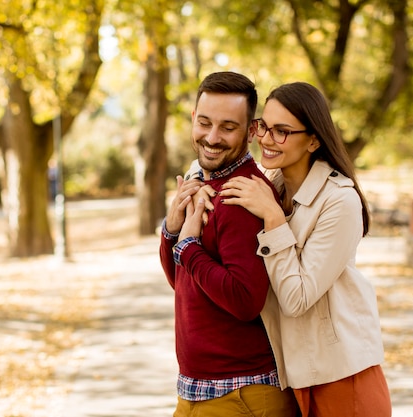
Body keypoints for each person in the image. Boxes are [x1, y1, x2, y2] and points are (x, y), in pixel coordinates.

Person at [186, 81, 392, 417]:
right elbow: (210, 156)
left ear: (313, 140)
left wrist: (272, 217)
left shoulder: (339, 201)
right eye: (264, 126)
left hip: (342, 378)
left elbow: (296, 298)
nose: (266, 139)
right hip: (294, 380)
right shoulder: (269, 185)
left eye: (282, 131)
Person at [159, 71, 298, 417]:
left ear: (252, 130)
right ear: (193, 118)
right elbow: (183, 283)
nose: (212, 137)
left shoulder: (241, 195)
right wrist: (173, 231)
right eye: (204, 123)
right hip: (202, 390)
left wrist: (188, 247)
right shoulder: (206, 184)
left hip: (240, 394)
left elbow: (245, 299)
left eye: (227, 127)